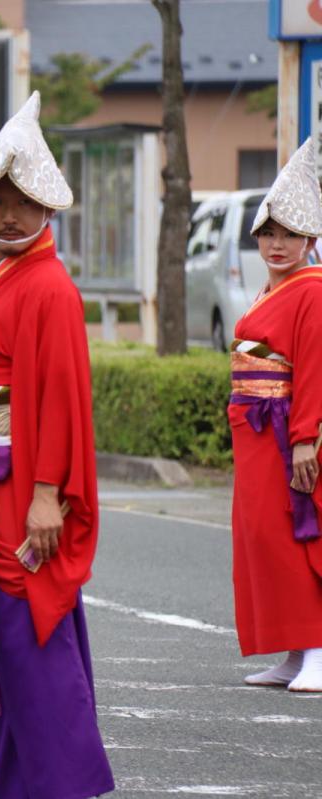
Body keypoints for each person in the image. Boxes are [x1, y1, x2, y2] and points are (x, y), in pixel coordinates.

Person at [0, 92, 114, 799]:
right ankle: (5, 783)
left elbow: (60, 401)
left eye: (23, 198)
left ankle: (60, 784)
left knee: (27, 637)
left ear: (48, 204)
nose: (8, 212)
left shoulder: (48, 287)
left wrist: (49, 493)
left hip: (20, 489)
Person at [229, 140, 322, 693]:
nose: (277, 244)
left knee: (298, 535)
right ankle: (294, 650)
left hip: (290, 432)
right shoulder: (272, 289)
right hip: (256, 435)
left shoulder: (312, 289)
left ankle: (317, 646)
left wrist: (307, 438)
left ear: (310, 238)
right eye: (268, 233)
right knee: (264, 538)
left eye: (289, 234)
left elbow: (313, 368)